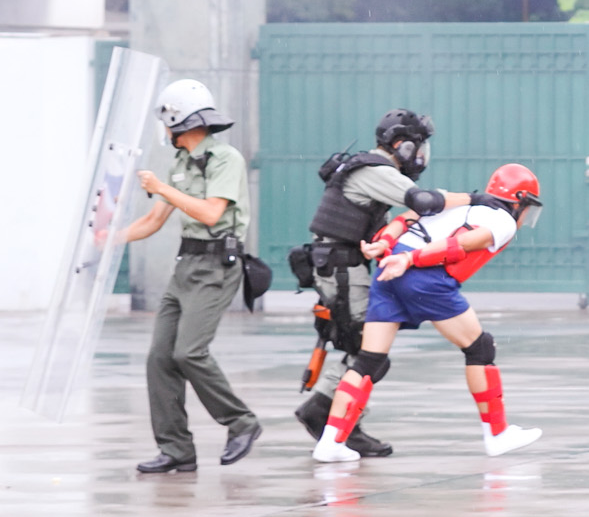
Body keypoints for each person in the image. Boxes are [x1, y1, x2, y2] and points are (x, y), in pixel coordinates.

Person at [311, 164, 545, 463]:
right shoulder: (503, 221)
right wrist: (410, 260)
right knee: (480, 349)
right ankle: (498, 434)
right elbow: (460, 245)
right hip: (423, 275)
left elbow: (405, 218)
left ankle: (331, 441)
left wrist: (384, 243)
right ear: (519, 201)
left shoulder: (457, 204)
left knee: (368, 360)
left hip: (391, 267)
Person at [293, 110, 472, 456]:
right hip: (343, 269)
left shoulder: (368, 169)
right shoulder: (376, 170)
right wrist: (474, 200)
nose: (421, 156)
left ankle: (338, 421)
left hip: (344, 266)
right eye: (418, 147)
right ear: (402, 146)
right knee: (367, 353)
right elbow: (423, 202)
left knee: (362, 349)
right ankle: (328, 417)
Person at [124, 80, 263, 473]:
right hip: (186, 265)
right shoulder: (181, 164)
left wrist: (162, 187)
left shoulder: (225, 158)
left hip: (217, 267)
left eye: (166, 122)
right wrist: (107, 239)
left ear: (176, 119)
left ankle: (242, 422)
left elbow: (210, 213)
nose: (164, 131)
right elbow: (154, 220)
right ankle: (177, 449)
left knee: (189, 352)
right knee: (159, 358)